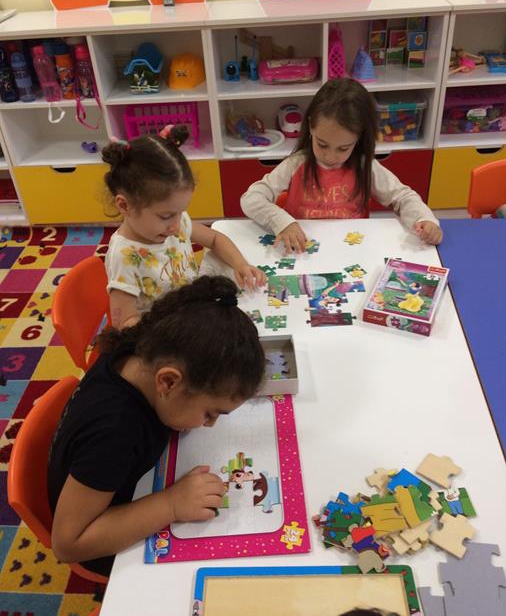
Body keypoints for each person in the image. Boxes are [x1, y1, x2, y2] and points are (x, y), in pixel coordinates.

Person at [48, 275, 265, 577]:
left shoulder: (142, 346)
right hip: (106, 541)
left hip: (124, 487)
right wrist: (172, 504)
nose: (210, 425)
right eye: (209, 413)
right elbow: (67, 545)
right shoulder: (114, 434)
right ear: (168, 382)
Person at [240, 79, 442, 253]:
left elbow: (402, 197)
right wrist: (283, 223)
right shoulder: (296, 164)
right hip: (301, 251)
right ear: (310, 127)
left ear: (359, 137)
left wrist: (425, 220)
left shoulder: (365, 166)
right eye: (322, 144)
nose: (330, 156)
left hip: (352, 252)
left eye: (343, 148)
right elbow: (251, 198)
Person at [103, 125, 265, 328]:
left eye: (181, 212)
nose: (176, 224)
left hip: (191, 312)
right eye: (166, 215)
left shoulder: (173, 224)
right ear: (124, 205)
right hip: (164, 332)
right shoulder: (123, 257)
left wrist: (240, 265)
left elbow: (215, 239)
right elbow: (124, 324)